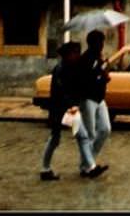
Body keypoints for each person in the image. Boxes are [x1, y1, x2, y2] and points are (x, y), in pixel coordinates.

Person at [40, 41, 89, 181]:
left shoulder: (68, 68)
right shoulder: (62, 70)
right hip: (63, 110)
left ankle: (45, 168)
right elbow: (64, 91)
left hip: (62, 109)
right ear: (67, 55)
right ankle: (89, 166)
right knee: (81, 137)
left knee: (56, 139)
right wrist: (73, 105)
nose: (77, 55)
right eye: (75, 53)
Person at [77, 29, 112, 178]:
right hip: (88, 99)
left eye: (103, 41)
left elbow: (101, 76)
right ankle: (89, 166)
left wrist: (104, 74)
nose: (102, 45)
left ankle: (87, 163)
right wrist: (100, 74)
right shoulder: (86, 59)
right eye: (100, 42)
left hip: (100, 98)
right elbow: (85, 80)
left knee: (105, 129)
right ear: (93, 43)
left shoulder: (99, 57)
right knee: (90, 133)